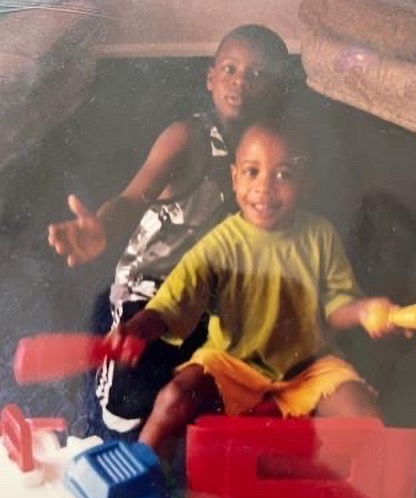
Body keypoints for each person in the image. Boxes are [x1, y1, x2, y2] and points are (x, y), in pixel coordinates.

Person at [103, 117, 398, 460]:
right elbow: (173, 303)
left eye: (283, 175)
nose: (264, 188)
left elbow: (336, 305)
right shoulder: (220, 244)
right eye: (252, 172)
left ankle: (337, 487)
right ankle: (143, 479)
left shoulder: (320, 235)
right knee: (172, 400)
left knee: (367, 417)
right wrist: (138, 328)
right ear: (234, 177)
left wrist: (363, 311)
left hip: (309, 366)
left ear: (307, 184)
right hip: (232, 364)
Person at [47, 24, 291, 436]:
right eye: (230, 69)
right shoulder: (187, 138)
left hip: (214, 296)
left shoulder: (274, 151)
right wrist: (102, 228)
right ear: (210, 78)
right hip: (152, 290)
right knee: (124, 407)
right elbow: (131, 199)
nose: (240, 82)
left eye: (256, 74)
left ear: (277, 88)